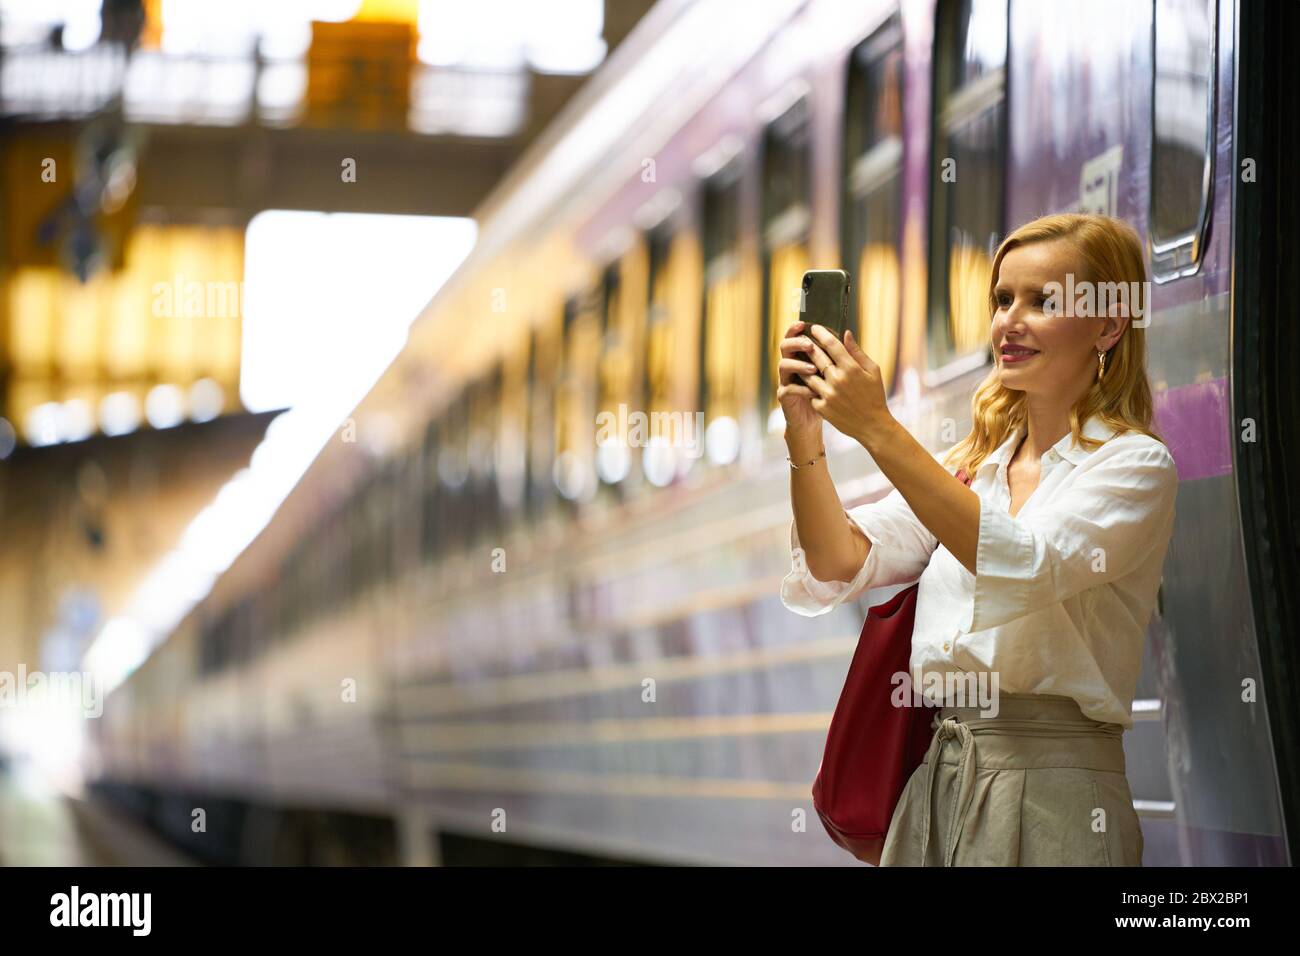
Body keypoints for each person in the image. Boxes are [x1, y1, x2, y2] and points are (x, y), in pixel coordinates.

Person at [777, 213, 1177, 866]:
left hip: (1057, 792)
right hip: (940, 782)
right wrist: (805, 438)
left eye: (1043, 301)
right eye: (1001, 299)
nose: (1009, 322)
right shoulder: (974, 471)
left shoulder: (1134, 466)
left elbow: (1020, 565)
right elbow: (835, 561)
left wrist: (879, 428)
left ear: (1107, 325)